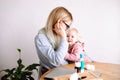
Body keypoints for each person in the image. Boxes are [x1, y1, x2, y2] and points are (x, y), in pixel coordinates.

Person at [34, 6, 73, 76]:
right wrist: (64, 38)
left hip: (66, 73)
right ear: (59, 21)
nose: (67, 29)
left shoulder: (60, 34)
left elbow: (77, 50)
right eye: (67, 26)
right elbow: (56, 61)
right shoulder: (41, 38)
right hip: (52, 76)